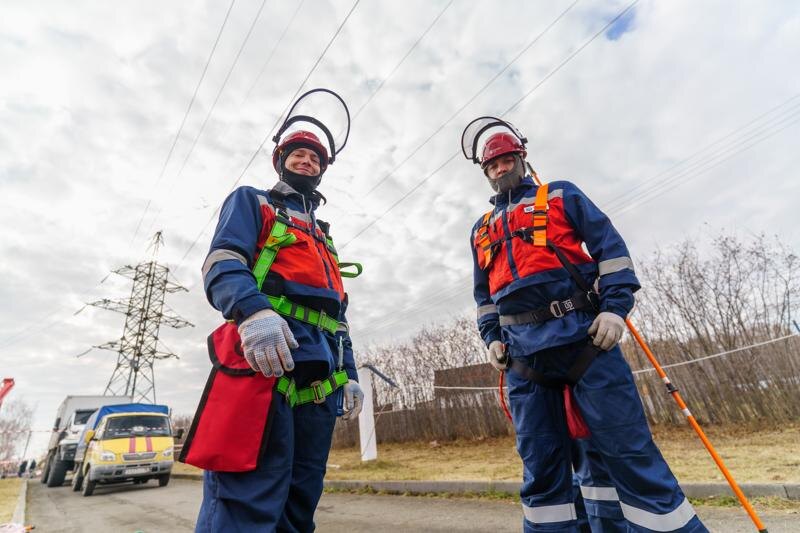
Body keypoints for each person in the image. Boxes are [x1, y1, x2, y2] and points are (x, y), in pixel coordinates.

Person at [467, 124, 707, 532]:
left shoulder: (560, 194)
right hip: (523, 360)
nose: (501, 168)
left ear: (522, 160)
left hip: (585, 341)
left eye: (507, 159)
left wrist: (615, 309)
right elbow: (484, 297)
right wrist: (491, 339)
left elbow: (611, 251)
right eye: (493, 164)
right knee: (541, 468)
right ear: (485, 171)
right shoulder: (480, 229)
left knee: (627, 453)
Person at [195, 129, 363, 532]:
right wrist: (252, 313)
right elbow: (221, 262)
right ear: (281, 159)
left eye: (315, 158)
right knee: (245, 502)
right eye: (298, 154)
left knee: (299, 505)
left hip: (320, 377)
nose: (307, 161)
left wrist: (351, 375)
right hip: (264, 358)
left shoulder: (324, 237)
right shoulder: (253, 201)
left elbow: (337, 316)